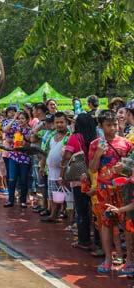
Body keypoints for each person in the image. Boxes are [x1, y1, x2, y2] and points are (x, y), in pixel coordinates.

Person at [89, 110, 134, 274]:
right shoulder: (95, 144)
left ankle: (130, 260)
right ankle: (109, 259)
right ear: (100, 126)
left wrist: (125, 168)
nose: (113, 128)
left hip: (123, 189)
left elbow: (131, 168)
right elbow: (92, 169)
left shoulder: (126, 144)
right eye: (108, 125)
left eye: (114, 124)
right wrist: (98, 155)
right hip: (103, 190)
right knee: (106, 224)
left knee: (127, 225)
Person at [62, 113, 97, 251]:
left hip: (79, 180)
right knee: (95, 210)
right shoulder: (96, 138)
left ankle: (84, 240)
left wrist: (62, 174)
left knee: (81, 211)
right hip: (95, 180)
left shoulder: (75, 138)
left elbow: (66, 157)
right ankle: (100, 241)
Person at [40, 112, 70, 222]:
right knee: (53, 195)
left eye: (62, 122)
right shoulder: (51, 136)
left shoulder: (69, 136)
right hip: (51, 172)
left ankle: (64, 214)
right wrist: (42, 166)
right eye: (57, 122)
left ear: (66, 122)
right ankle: (53, 215)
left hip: (64, 173)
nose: (59, 124)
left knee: (65, 196)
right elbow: (45, 151)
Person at [3, 111, 32, 208]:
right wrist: (14, 119)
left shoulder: (30, 131)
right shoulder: (16, 128)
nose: (21, 120)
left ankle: (23, 200)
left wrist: (25, 143)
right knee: (12, 179)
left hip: (25, 158)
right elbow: (5, 130)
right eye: (19, 118)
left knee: (24, 180)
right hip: (13, 157)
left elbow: (31, 144)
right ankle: (10, 200)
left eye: (23, 118)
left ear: (27, 119)